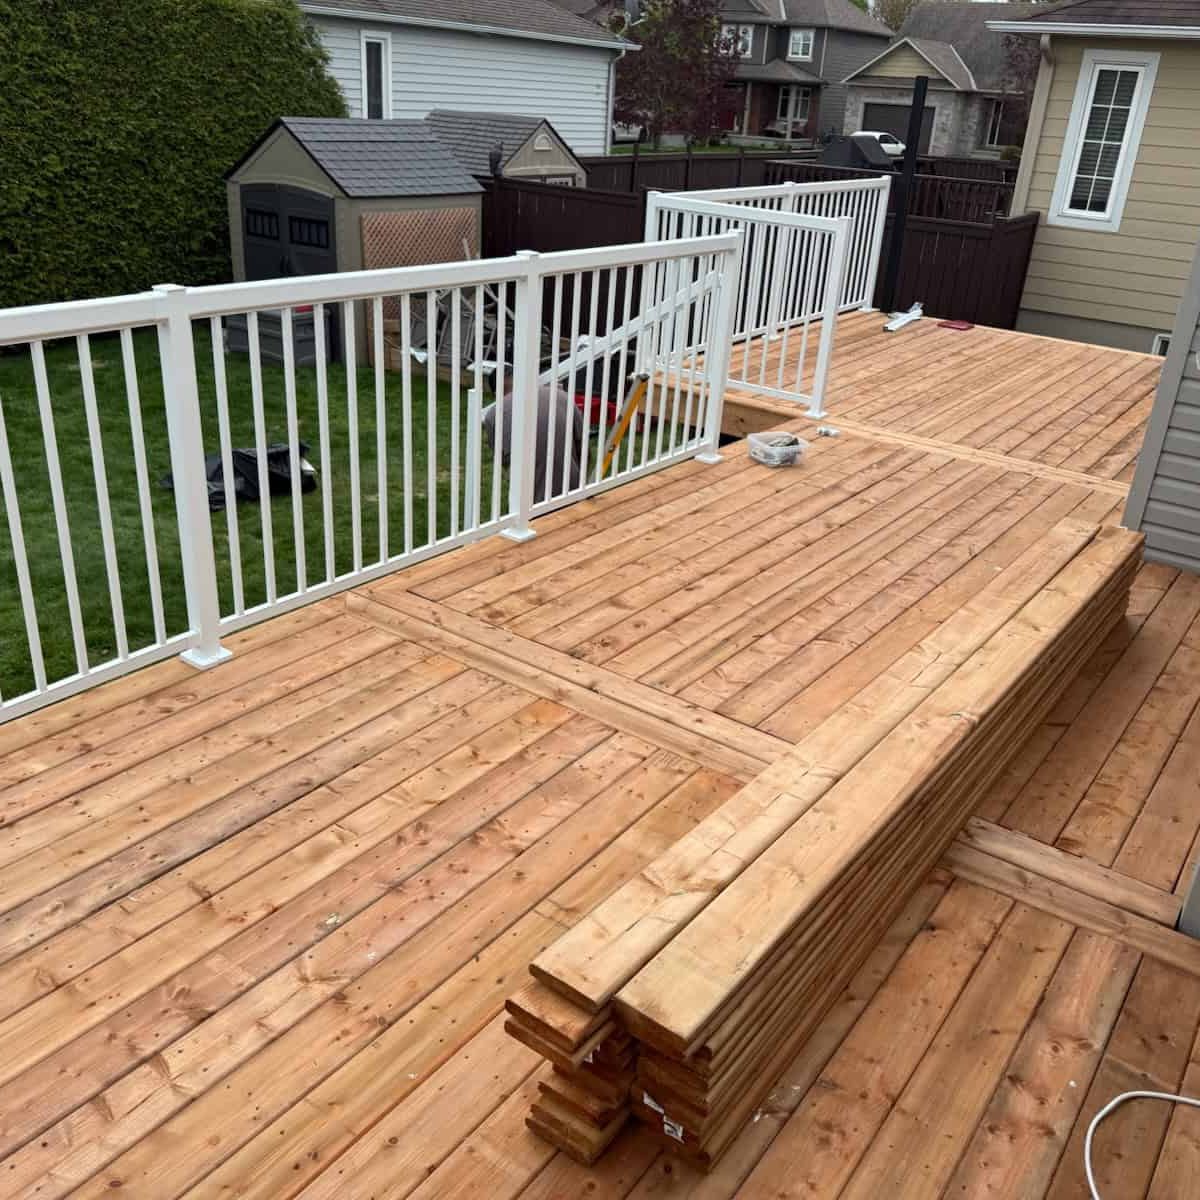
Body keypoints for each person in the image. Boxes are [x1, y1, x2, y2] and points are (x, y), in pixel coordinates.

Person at [482, 383, 585, 502]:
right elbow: (582, 444)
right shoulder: (561, 396)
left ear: (496, 393)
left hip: (532, 499)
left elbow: (503, 460)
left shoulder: (493, 415)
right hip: (572, 487)